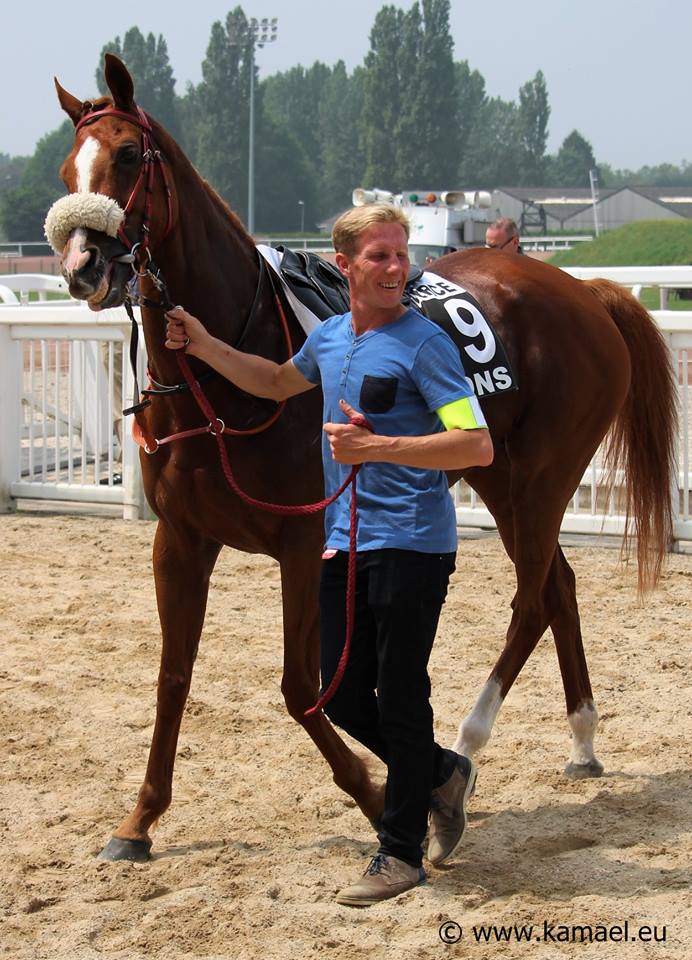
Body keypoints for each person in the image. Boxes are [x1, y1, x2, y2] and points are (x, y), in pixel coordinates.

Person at [165, 204, 493, 906]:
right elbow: (276, 382)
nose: (396, 268)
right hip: (340, 544)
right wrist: (201, 346)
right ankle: (442, 771)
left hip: (411, 544)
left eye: (400, 254)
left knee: (401, 700)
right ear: (343, 266)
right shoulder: (332, 339)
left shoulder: (423, 344)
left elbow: (475, 444)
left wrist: (378, 448)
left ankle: (399, 853)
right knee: (334, 693)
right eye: (379, 256)